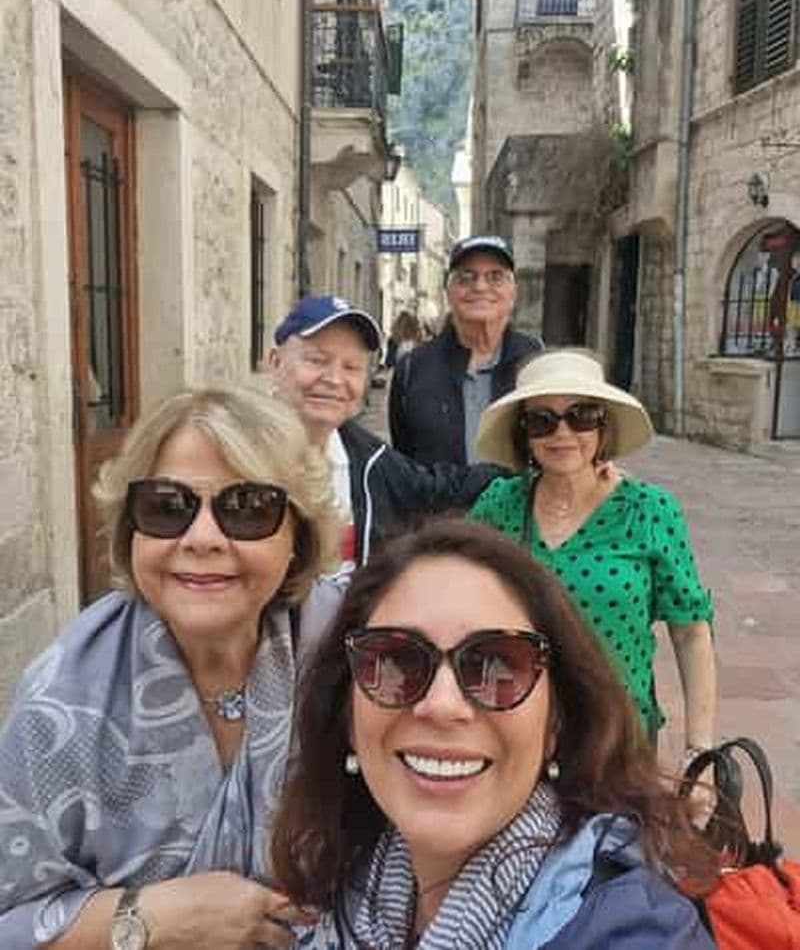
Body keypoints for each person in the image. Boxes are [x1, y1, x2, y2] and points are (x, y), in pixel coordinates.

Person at [271, 517, 718, 950]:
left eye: (499, 667)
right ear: (348, 716)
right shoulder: (339, 888)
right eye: (396, 662)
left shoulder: (631, 930)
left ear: (555, 726)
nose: (443, 706)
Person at [0, 386, 341, 950]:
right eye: (167, 507)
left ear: (297, 537)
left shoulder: (348, 656)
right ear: (132, 530)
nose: (202, 538)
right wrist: (148, 918)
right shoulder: (60, 702)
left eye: (249, 508)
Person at [469, 348, 716, 755]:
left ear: (604, 427)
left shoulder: (649, 510)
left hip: (617, 736)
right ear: (524, 435)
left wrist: (699, 749)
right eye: (542, 421)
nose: (563, 434)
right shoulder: (499, 505)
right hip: (516, 731)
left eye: (581, 416)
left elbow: (690, 632)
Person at [268, 295, 501, 652]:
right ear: (276, 362)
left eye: (351, 367)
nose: (333, 379)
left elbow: (442, 489)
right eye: (316, 360)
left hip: (340, 682)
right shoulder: (236, 456)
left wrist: (542, 468)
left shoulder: (371, 462)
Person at [389, 235, 543, 466]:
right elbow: (405, 463)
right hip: (440, 502)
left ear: (513, 293)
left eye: (495, 277)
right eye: (466, 277)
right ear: (448, 291)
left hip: (522, 502)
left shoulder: (536, 361)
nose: (480, 287)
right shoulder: (413, 368)